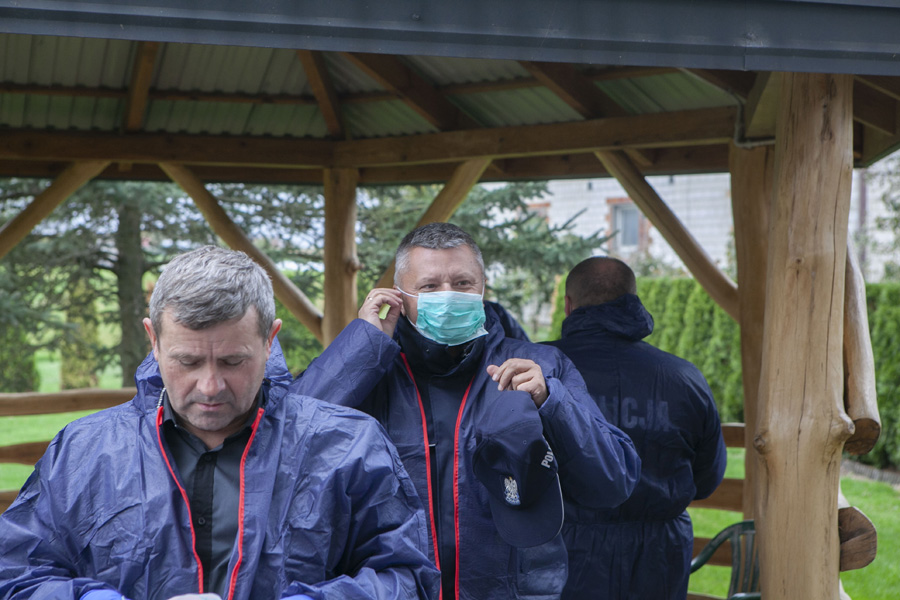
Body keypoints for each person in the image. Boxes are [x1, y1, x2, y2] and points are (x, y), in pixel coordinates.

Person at [0, 246, 439, 600]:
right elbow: (16, 572)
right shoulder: (84, 450)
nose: (210, 386)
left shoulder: (349, 444)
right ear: (154, 340)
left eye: (232, 361)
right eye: (188, 361)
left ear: (269, 341)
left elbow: (407, 578)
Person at [292, 223, 640, 600]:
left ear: (483, 288)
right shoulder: (370, 370)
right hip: (393, 590)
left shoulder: (539, 367)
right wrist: (363, 345)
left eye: (462, 283)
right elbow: (290, 436)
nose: (448, 296)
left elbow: (612, 481)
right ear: (399, 295)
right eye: (429, 286)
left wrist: (552, 401)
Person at [543, 256, 728, 600]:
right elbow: (707, 479)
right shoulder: (684, 377)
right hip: (658, 559)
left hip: (561, 555)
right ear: (633, 300)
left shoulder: (539, 370)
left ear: (568, 305)